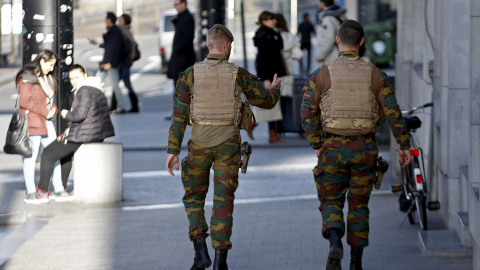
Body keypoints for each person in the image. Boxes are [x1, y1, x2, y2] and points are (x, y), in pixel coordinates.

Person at [165, 24, 281, 270]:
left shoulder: (189, 74)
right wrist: (275, 89)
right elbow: (265, 101)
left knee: (194, 197)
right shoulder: (238, 74)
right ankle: (220, 262)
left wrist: (172, 151)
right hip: (228, 144)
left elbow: (179, 116)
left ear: (209, 45)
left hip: (198, 144)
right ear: (227, 46)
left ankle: (200, 251)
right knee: (223, 200)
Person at [300, 20, 412, 270]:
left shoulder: (321, 74)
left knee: (331, 201)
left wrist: (318, 144)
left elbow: (307, 112)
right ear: (362, 42)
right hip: (365, 150)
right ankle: (355, 264)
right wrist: (403, 145)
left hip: (332, 147)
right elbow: (393, 113)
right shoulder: (376, 75)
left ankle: (335, 242)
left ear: (338, 41)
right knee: (359, 206)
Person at [35, 64, 115, 203]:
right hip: (94, 132)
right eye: (72, 79)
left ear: (85, 75)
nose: (74, 81)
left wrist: (66, 114)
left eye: (77, 77)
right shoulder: (96, 87)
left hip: (85, 134)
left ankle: (42, 192)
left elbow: (79, 115)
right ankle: (61, 191)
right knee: (66, 155)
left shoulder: (84, 90)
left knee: (48, 153)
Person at [17, 49, 64, 204]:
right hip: (32, 121)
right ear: (42, 61)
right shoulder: (28, 75)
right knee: (31, 157)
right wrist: (45, 111)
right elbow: (24, 101)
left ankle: (59, 189)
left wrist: (54, 108)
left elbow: (47, 99)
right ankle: (31, 192)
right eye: (50, 64)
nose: (52, 68)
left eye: (53, 65)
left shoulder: (45, 77)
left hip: (45, 120)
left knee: (54, 153)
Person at [249, 10, 287, 143]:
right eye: (271, 19)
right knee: (272, 104)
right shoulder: (263, 35)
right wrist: (265, 78)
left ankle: (258, 125)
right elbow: (262, 59)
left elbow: (280, 47)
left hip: (274, 74)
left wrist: (278, 34)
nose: (274, 21)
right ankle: (270, 133)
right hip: (268, 75)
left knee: (273, 103)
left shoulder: (271, 33)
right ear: (264, 21)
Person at [89, 11, 126, 114]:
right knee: (104, 82)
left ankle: (119, 106)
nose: (105, 20)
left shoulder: (114, 32)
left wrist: (109, 62)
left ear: (109, 20)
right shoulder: (115, 31)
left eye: (106, 18)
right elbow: (109, 46)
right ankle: (118, 106)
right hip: (110, 62)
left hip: (111, 63)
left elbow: (112, 49)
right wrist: (98, 44)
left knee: (102, 82)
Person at [166, 0, 196, 120]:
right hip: (179, 57)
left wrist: (178, 49)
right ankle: (178, 112)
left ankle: (182, 114)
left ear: (184, 4)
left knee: (182, 86)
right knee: (178, 85)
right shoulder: (182, 18)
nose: (175, 6)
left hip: (184, 58)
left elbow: (188, 38)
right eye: (174, 4)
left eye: (177, 4)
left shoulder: (187, 18)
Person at [275, 13, 302, 99]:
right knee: (287, 101)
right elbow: (299, 55)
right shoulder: (290, 38)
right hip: (288, 72)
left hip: (274, 73)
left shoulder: (270, 37)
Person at [118, 13, 140, 113]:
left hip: (125, 62)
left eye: (121, 20)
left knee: (117, 82)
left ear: (125, 21)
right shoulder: (126, 31)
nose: (119, 21)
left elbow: (128, 48)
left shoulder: (124, 32)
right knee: (126, 83)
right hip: (127, 61)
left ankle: (117, 105)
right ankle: (134, 106)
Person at [315, 0, 347, 64]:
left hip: (331, 56)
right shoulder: (338, 16)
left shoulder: (328, 18)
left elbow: (329, 38)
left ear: (322, 3)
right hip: (339, 53)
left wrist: (321, 55)